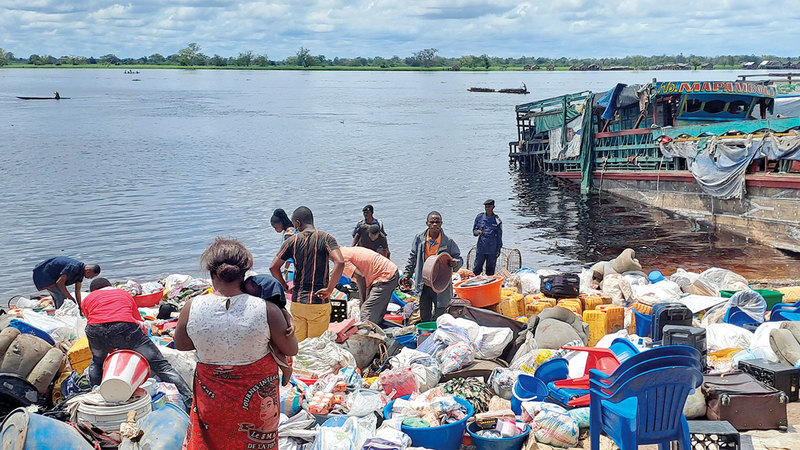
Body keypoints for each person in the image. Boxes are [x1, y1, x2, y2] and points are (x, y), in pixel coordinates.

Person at [175, 237, 297, 450]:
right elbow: (291, 349)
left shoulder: (192, 306)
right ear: (245, 273)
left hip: (212, 402)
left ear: (213, 273)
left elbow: (182, 345)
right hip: (257, 405)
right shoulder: (266, 309)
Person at [82, 277, 192, 410]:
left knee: (97, 362)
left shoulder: (88, 298)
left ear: (94, 290)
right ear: (109, 286)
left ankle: (95, 398)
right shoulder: (123, 293)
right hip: (124, 327)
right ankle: (189, 401)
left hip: (95, 331)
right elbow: (138, 321)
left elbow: (92, 320)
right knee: (162, 366)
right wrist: (143, 342)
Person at [270, 206, 344, 341]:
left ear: (298, 223)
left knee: (300, 346)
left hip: (298, 302)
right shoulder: (326, 238)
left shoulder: (292, 241)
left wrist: (286, 287)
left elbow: (273, 267)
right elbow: (339, 263)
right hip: (318, 302)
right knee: (316, 348)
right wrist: (329, 289)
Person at [400, 211, 462, 322]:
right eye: (432, 222)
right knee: (425, 313)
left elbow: (458, 258)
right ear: (427, 223)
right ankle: (426, 334)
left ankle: (438, 334)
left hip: (440, 283)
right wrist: (407, 274)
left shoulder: (448, 242)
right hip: (424, 282)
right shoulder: (420, 239)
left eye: (437, 222)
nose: (434, 225)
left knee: (440, 313)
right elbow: (413, 257)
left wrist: (455, 263)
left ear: (441, 224)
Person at [242, 273, 296, 382]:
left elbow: (283, 311)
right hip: (260, 335)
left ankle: (285, 368)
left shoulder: (272, 308)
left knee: (276, 348)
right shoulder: (254, 304)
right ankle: (285, 367)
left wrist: (291, 324)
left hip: (271, 333)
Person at [339, 246, 399, 324]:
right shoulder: (344, 251)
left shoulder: (342, 260)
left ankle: (369, 333)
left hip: (385, 276)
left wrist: (362, 300)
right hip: (386, 272)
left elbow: (361, 277)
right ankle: (377, 326)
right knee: (376, 311)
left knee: (366, 311)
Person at [32, 256, 100, 310]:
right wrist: (70, 297)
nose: (91, 278)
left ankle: (58, 311)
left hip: (52, 276)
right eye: (92, 276)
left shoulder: (81, 273)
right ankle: (60, 316)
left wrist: (80, 306)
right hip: (44, 273)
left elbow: (77, 291)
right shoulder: (74, 267)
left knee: (59, 296)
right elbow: (60, 283)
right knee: (61, 296)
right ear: (88, 271)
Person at [472, 199, 503, 276]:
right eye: (486, 207)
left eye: (489, 206)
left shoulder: (497, 220)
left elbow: (499, 237)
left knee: (490, 271)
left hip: (492, 250)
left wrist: (498, 250)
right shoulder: (479, 217)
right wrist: (477, 232)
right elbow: (474, 231)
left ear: (493, 207)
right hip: (481, 248)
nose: (487, 208)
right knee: (476, 269)